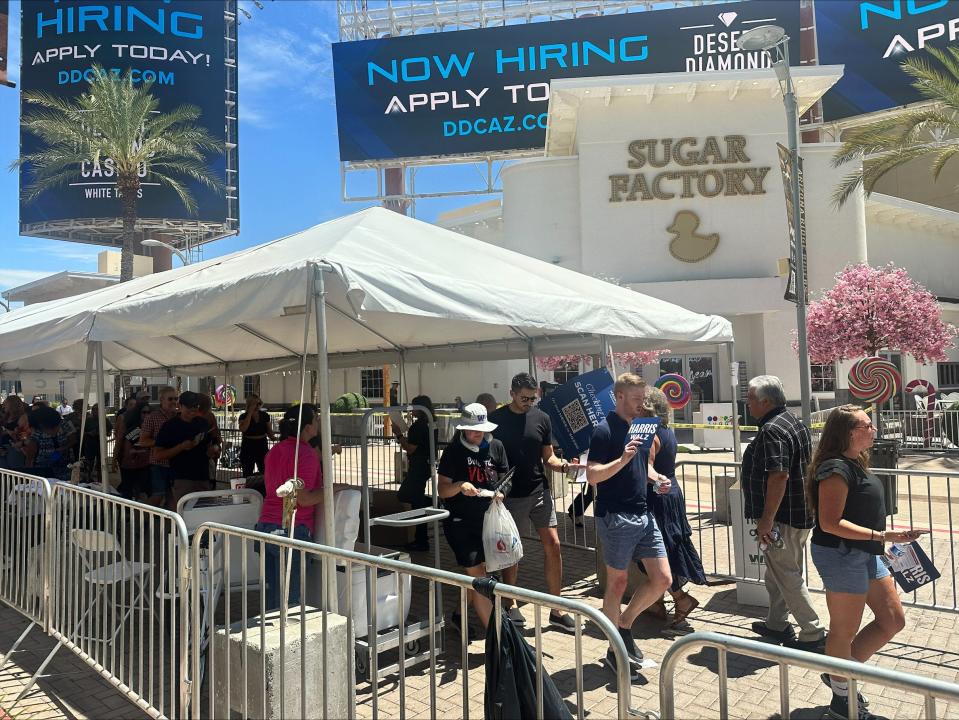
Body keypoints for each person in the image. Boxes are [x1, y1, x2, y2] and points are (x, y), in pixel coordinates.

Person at [809, 405, 923, 720]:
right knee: (844, 631)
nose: (874, 429)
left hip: (868, 552)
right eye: (867, 425)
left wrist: (883, 543)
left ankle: (838, 677)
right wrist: (883, 536)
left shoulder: (855, 462)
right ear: (848, 431)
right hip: (841, 554)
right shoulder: (835, 468)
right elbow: (830, 523)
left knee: (892, 620)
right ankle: (842, 702)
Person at [587, 373, 671, 677]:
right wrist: (622, 459)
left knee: (662, 579)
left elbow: (643, 463)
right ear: (619, 396)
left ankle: (623, 624)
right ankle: (615, 648)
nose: (641, 405)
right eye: (636, 399)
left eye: (643, 399)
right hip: (615, 515)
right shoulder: (604, 430)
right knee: (618, 582)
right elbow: (593, 476)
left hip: (643, 512)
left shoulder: (642, 426)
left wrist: (657, 478)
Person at [491, 372, 582, 631]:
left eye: (532, 398)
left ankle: (557, 607)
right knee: (512, 552)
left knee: (553, 545)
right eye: (524, 398)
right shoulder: (496, 419)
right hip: (510, 496)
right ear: (511, 393)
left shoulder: (542, 418)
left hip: (539, 492)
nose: (528, 402)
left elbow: (548, 457)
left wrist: (564, 467)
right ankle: (510, 603)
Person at [742, 375, 826, 651]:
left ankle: (813, 632)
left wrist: (766, 520)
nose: (747, 402)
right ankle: (777, 623)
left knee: (787, 574)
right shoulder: (793, 421)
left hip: (782, 518)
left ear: (765, 401)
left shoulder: (772, 430)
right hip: (798, 513)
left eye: (751, 398)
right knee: (778, 572)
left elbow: (778, 476)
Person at [437, 403, 509, 632]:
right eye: (471, 429)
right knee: (478, 575)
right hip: (460, 523)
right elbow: (442, 490)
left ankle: (459, 615)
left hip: (487, 522)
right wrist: (459, 485)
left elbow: (506, 478)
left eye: (481, 429)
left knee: (479, 574)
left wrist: (502, 493)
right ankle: (497, 638)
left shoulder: (496, 446)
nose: (477, 434)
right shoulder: (453, 451)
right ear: (462, 430)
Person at [640, 387, 706, 626]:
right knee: (664, 548)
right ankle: (657, 603)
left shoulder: (649, 433)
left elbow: (648, 468)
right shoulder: (667, 429)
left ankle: (680, 598)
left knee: (656, 551)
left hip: (658, 495)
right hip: (670, 492)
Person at [255, 404, 325, 611]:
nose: (319, 423)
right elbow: (302, 498)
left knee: (273, 596)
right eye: (316, 419)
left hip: (266, 526)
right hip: (292, 529)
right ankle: (286, 640)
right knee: (289, 600)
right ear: (308, 427)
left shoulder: (275, 451)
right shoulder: (305, 454)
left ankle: (271, 639)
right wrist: (333, 489)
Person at [154, 391, 217, 508]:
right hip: (182, 478)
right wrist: (181, 447)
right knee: (185, 514)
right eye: (189, 406)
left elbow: (208, 446)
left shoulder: (202, 423)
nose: (193, 409)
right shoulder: (170, 426)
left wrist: (212, 451)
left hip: (203, 477)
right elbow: (158, 455)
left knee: (205, 512)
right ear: (180, 406)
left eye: (195, 406)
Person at [395, 395, 437, 552]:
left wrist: (399, 435)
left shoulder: (418, 426)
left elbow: (410, 448)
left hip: (418, 466)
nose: (411, 410)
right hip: (426, 465)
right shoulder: (431, 423)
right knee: (415, 498)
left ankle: (429, 505)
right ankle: (421, 537)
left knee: (405, 495)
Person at [139, 387, 179, 507]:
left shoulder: (179, 417)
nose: (173, 401)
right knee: (158, 495)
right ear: (162, 400)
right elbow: (143, 441)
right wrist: (162, 442)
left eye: (176, 398)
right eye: (170, 399)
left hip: (175, 463)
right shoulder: (152, 417)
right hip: (159, 464)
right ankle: (141, 520)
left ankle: (174, 524)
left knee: (173, 496)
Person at [115, 392, 152, 499]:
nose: (146, 415)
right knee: (128, 489)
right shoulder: (124, 418)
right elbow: (119, 439)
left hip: (144, 463)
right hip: (128, 462)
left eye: (148, 412)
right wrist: (115, 459)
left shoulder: (151, 424)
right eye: (144, 412)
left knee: (144, 489)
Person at [23, 405, 72, 481]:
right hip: (43, 471)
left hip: (66, 468)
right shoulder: (37, 434)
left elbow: (73, 440)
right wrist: (28, 477)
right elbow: (30, 458)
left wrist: (62, 449)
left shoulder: (64, 424)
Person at [238, 394, 274, 477]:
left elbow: (269, 431)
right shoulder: (243, 416)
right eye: (255, 404)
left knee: (265, 470)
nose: (257, 406)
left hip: (262, 445)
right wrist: (250, 413)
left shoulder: (265, 415)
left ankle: (263, 489)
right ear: (250, 404)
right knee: (247, 472)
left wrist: (274, 437)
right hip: (248, 445)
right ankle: (247, 489)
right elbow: (243, 429)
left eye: (259, 404)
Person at [197, 394, 223, 488]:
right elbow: (216, 433)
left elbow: (216, 433)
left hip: (207, 448)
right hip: (207, 448)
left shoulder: (196, 415)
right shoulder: (209, 415)